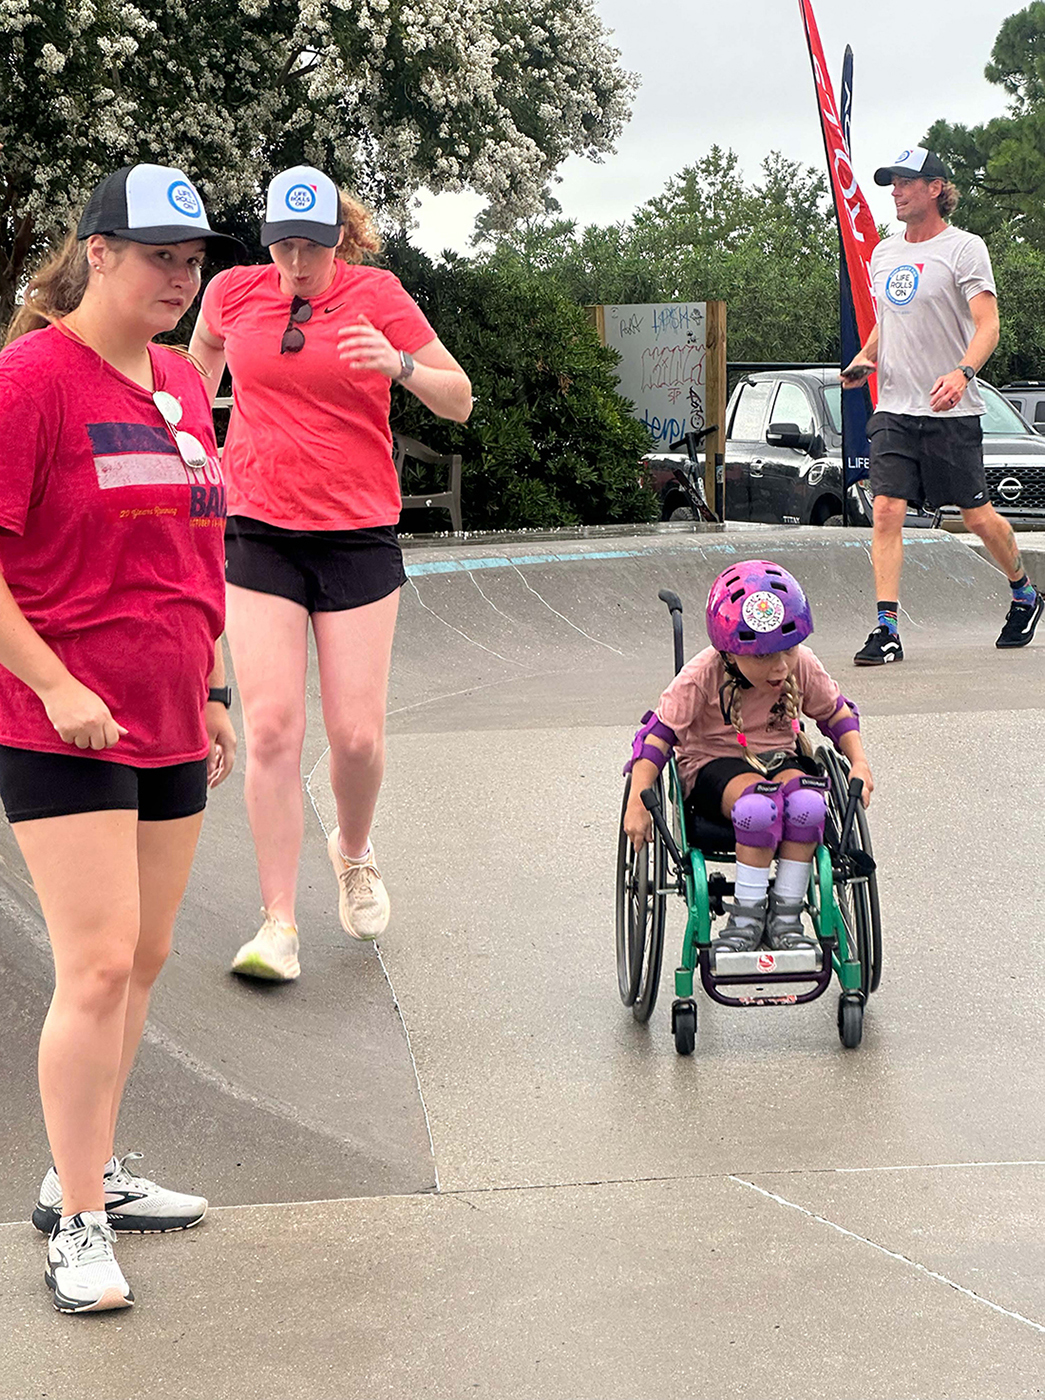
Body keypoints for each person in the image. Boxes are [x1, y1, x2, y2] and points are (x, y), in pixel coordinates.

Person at [0, 163, 241, 1312]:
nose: (180, 278)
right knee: (95, 963)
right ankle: (78, 1224)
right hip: (64, 723)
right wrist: (53, 684)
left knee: (142, 959)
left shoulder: (183, 392)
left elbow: (195, 558)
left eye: (191, 260)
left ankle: (82, 1168)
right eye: (160, 257)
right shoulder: (31, 379)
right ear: (96, 251)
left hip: (165, 716)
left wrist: (215, 691)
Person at [188, 166, 472, 982]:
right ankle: (278, 921)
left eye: (311, 246)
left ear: (338, 238)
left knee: (355, 736)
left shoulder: (377, 295)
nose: (295, 262)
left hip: (354, 535)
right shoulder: (234, 294)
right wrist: (183, 438)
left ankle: (353, 851)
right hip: (256, 528)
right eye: (282, 242)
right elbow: (199, 365)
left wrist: (398, 365)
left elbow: (458, 399)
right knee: (273, 730)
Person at [842, 145, 1042, 664]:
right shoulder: (884, 254)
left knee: (977, 516)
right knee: (885, 510)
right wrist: (866, 358)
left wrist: (963, 372)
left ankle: (1024, 592)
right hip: (895, 408)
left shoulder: (965, 248)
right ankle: (886, 627)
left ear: (936, 188)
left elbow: (988, 326)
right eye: (892, 182)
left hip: (952, 409)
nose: (896, 191)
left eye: (906, 181)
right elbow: (889, 325)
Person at [622, 561, 872, 950]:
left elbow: (836, 713)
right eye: (763, 657)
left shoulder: (800, 664)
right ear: (731, 652)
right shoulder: (702, 674)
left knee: (809, 802)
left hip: (779, 758)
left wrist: (859, 761)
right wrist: (640, 797)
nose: (779, 666)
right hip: (712, 765)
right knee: (758, 807)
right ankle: (746, 917)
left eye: (787, 651)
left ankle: (786, 917)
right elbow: (658, 736)